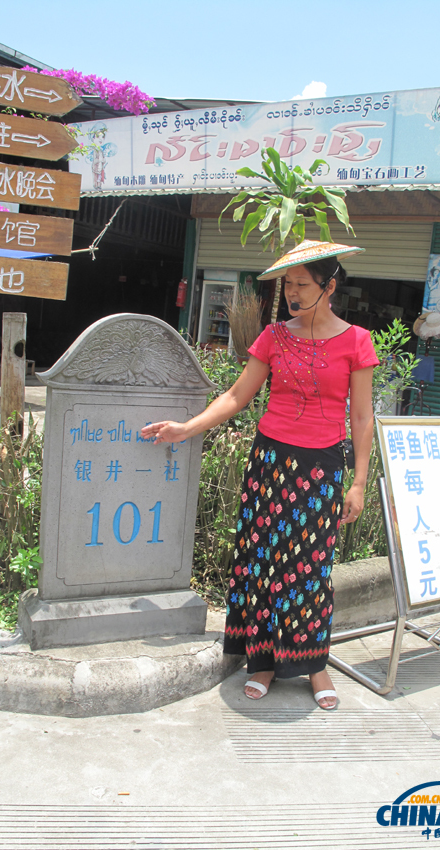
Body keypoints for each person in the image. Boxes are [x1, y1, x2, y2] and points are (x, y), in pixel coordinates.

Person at [141, 240, 378, 710]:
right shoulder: (273, 336)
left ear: (329, 285)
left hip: (322, 467)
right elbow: (236, 396)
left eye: (302, 284)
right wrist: (187, 428)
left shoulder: (356, 341)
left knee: (309, 569)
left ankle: (314, 664)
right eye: (287, 284)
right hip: (270, 463)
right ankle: (262, 660)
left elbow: (363, 418)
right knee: (262, 559)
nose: (292, 293)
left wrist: (358, 481)